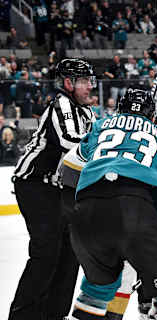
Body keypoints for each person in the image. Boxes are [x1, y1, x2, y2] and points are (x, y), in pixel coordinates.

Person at [69, 88, 157, 320]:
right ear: (152, 115)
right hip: (133, 210)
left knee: (97, 289)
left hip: (86, 211)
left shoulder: (102, 124)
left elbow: (84, 152)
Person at [10, 58, 96, 319]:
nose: (90, 87)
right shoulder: (61, 104)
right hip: (35, 185)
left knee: (71, 256)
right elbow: (71, 142)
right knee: (46, 252)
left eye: (90, 81)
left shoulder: (88, 112)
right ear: (68, 83)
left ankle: (54, 315)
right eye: (84, 82)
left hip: (60, 189)